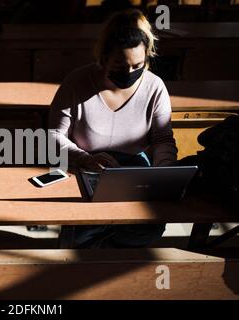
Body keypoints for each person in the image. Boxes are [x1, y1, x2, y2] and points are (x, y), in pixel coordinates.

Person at [49, 9, 178, 248]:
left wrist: (164, 171)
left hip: (134, 167)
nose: (129, 72)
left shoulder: (154, 86)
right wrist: (84, 158)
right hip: (86, 167)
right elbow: (54, 137)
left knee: (147, 229)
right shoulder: (77, 82)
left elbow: (162, 138)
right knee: (84, 233)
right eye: (119, 64)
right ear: (104, 57)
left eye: (138, 65)